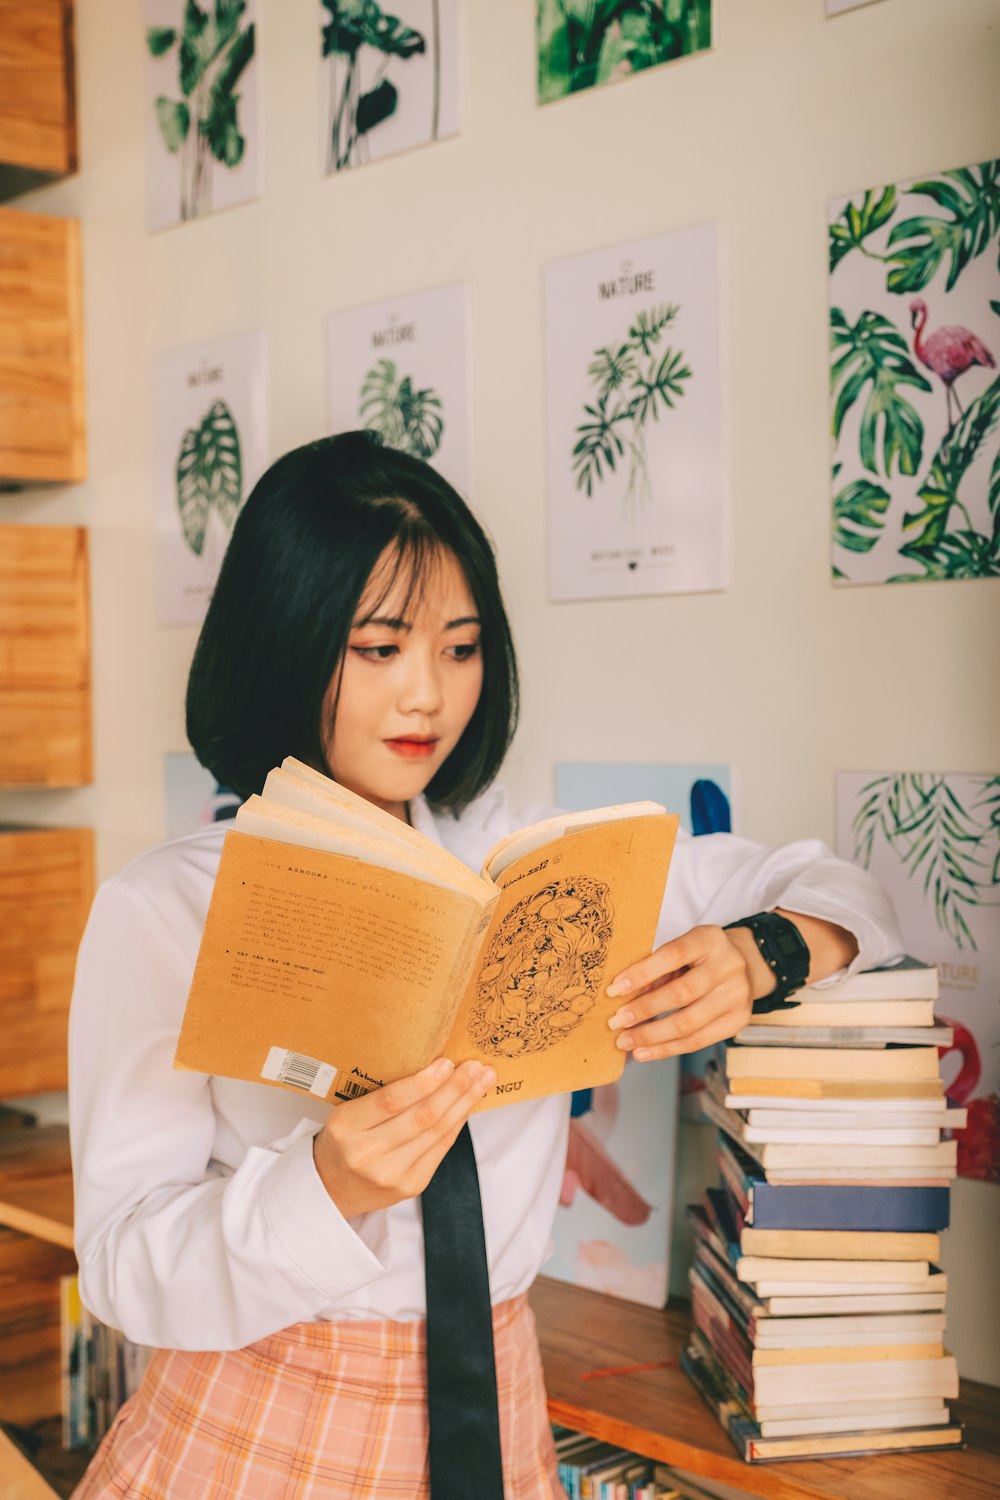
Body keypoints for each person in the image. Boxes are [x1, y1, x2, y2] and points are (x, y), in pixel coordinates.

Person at [68, 432, 902, 1499]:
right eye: (379, 649)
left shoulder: (537, 859)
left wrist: (767, 951)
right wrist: (326, 1184)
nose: (428, 695)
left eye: (460, 649)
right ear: (288, 638)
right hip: (260, 1424)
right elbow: (123, 1267)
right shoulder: (167, 907)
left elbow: (845, 888)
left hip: (500, 1411)